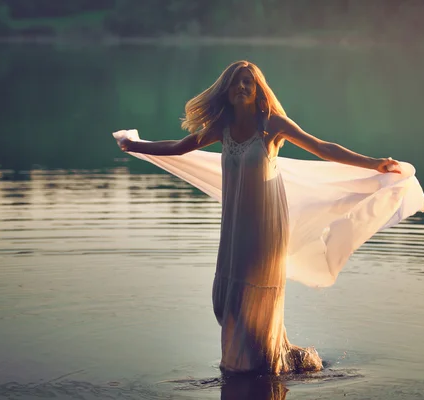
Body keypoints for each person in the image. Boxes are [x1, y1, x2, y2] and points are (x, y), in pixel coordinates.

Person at [115, 60, 401, 375]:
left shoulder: (272, 126)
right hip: (236, 225)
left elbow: (321, 147)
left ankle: (258, 365)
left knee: (253, 295)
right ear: (227, 90)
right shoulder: (222, 127)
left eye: (247, 83)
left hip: (266, 226)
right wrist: (135, 145)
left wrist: (374, 164)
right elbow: (181, 147)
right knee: (230, 301)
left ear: (257, 90)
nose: (241, 87)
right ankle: (261, 364)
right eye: (236, 82)